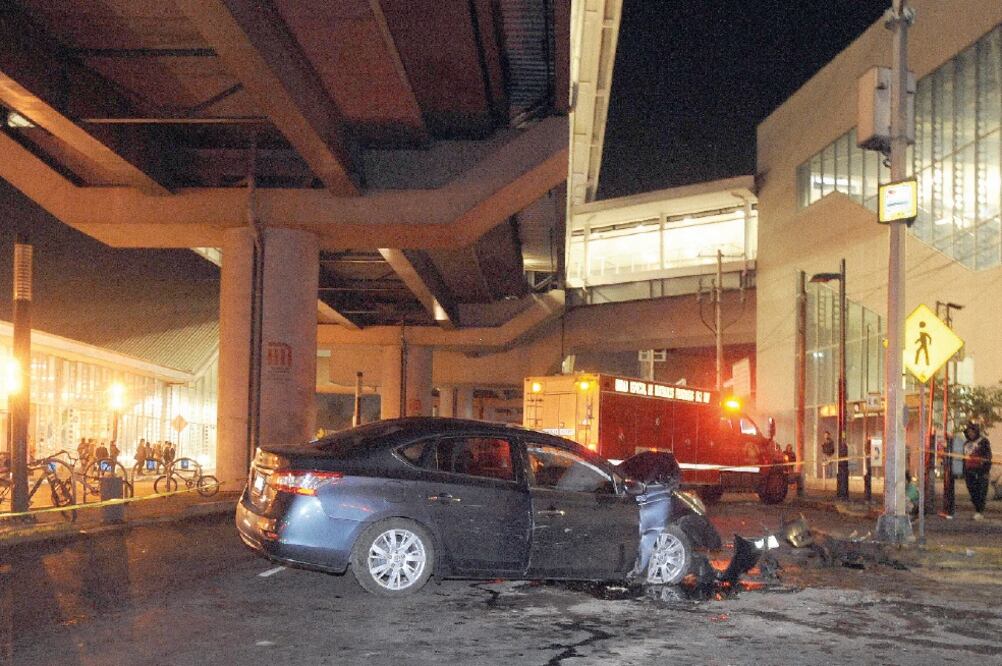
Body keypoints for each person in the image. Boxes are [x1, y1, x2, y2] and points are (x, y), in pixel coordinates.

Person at [962, 422, 992, 520]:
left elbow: (988, 456)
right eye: (969, 432)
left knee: (981, 492)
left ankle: (980, 511)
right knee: (973, 492)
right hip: (969, 471)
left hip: (981, 471)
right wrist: (964, 471)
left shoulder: (983, 441)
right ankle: (977, 509)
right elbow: (964, 458)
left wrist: (986, 470)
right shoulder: (966, 444)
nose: (970, 434)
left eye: (972, 432)